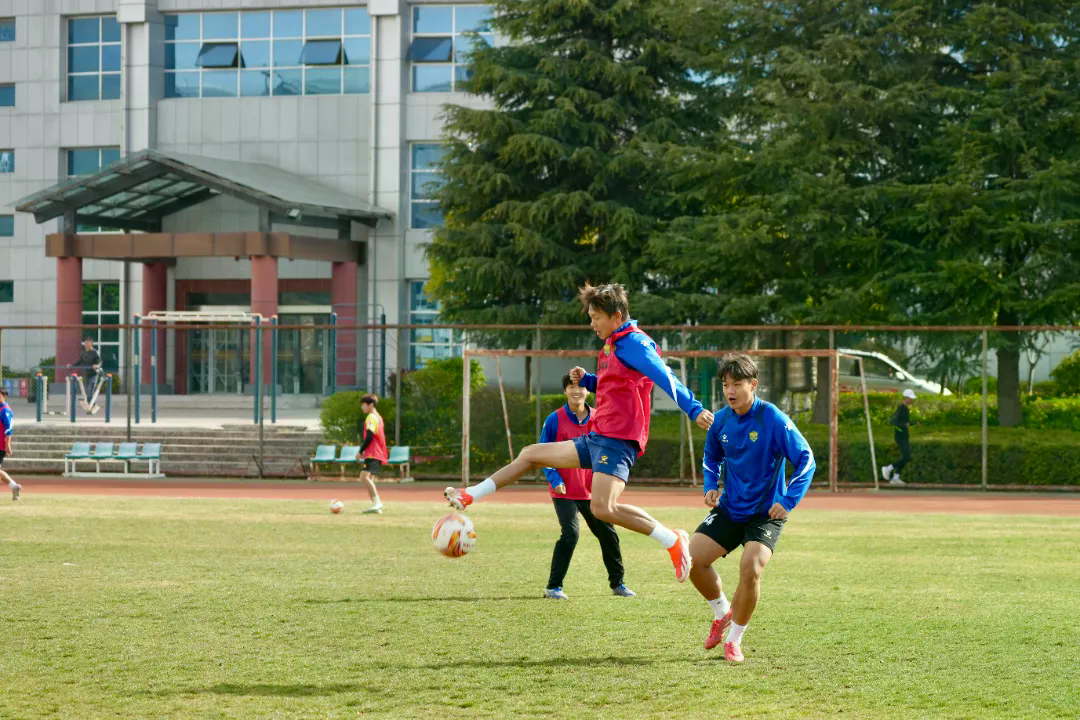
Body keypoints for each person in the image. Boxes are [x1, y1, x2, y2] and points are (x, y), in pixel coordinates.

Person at [445, 282, 714, 583]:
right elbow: (617, 385)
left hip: (618, 440)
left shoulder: (636, 344)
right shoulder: (612, 343)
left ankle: (673, 540)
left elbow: (665, 376)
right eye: (590, 316)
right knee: (531, 454)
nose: (592, 323)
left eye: (596, 316)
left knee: (602, 508)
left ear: (617, 314)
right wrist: (589, 380)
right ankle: (470, 495)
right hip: (597, 437)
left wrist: (694, 409)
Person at [690, 355, 815, 663]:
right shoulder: (721, 420)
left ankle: (734, 640)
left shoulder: (771, 418)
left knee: (751, 569)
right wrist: (710, 485)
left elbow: (806, 459)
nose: (730, 391)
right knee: (692, 560)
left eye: (737, 384)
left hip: (765, 514)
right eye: (725, 385)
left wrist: (787, 502)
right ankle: (722, 613)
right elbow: (711, 457)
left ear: (753, 385)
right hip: (730, 508)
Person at [541, 372, 635, 600]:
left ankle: (618, 584)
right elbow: (544, 453)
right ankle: (553, 587)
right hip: (564, 492)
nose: (577, 391)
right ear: (565, 391)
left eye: (581, 387)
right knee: (570, 534)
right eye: (572, 387)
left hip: (592, 491)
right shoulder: (554, 419)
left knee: (608, 533)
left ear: (588, 391)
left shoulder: (599, 417)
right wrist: (556, 480)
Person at [356, 393, 388, 514]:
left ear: (371, 405)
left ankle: (377, 503)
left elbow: (369, 436)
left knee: (364, 476)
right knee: (368, 477)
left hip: (373, 452)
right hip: (378, 452)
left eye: (364, 405)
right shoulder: (378, 417)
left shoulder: (371, 417)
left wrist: (360, 451)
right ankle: (376, 505)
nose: (362, 407)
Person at [881, 389, 916, 486]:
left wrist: (914, 423)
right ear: (906, 398)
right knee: (907, 456)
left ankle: (895, 478)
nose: (912, 400)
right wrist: (904, 425)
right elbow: (893, 421)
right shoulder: (901, 408)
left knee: (906, 457)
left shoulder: (905, 408)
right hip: (900, 436)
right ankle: (888, 468)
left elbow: (905, 423)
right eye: (911, 398)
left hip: (904, 435)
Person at [73, 338, 103, 413]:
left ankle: (90, 405)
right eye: (85, 344)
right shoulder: (83, 353)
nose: (86, 345)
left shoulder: (95, 352)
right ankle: (93, 406)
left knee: (90, 389)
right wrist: (72, 365)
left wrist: (96, 365)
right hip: (87, 373)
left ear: (91, 345)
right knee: (87, 391)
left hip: (94, 373)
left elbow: (100, 362)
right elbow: (80, 361)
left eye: (88, 344)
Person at [0, 388, 21, 500]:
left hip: (0, 445)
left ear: (4, 396)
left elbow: (8, 429)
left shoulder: (5, 410)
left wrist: (7, 444)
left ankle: (14, 485)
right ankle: (14, 486)